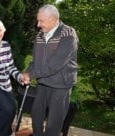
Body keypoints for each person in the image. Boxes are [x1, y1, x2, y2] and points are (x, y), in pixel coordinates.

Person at [23, 4, 79, 136]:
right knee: (36, 113)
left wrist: (32, 75)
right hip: (43, 82)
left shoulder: (68, 34)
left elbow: (56, 64)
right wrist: (27, 72)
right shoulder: (40, 35)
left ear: (53, 18)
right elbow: (34, 61)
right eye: (38, 20)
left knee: (54, 121)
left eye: (41, 20)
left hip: (61, 84)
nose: (38, 24)